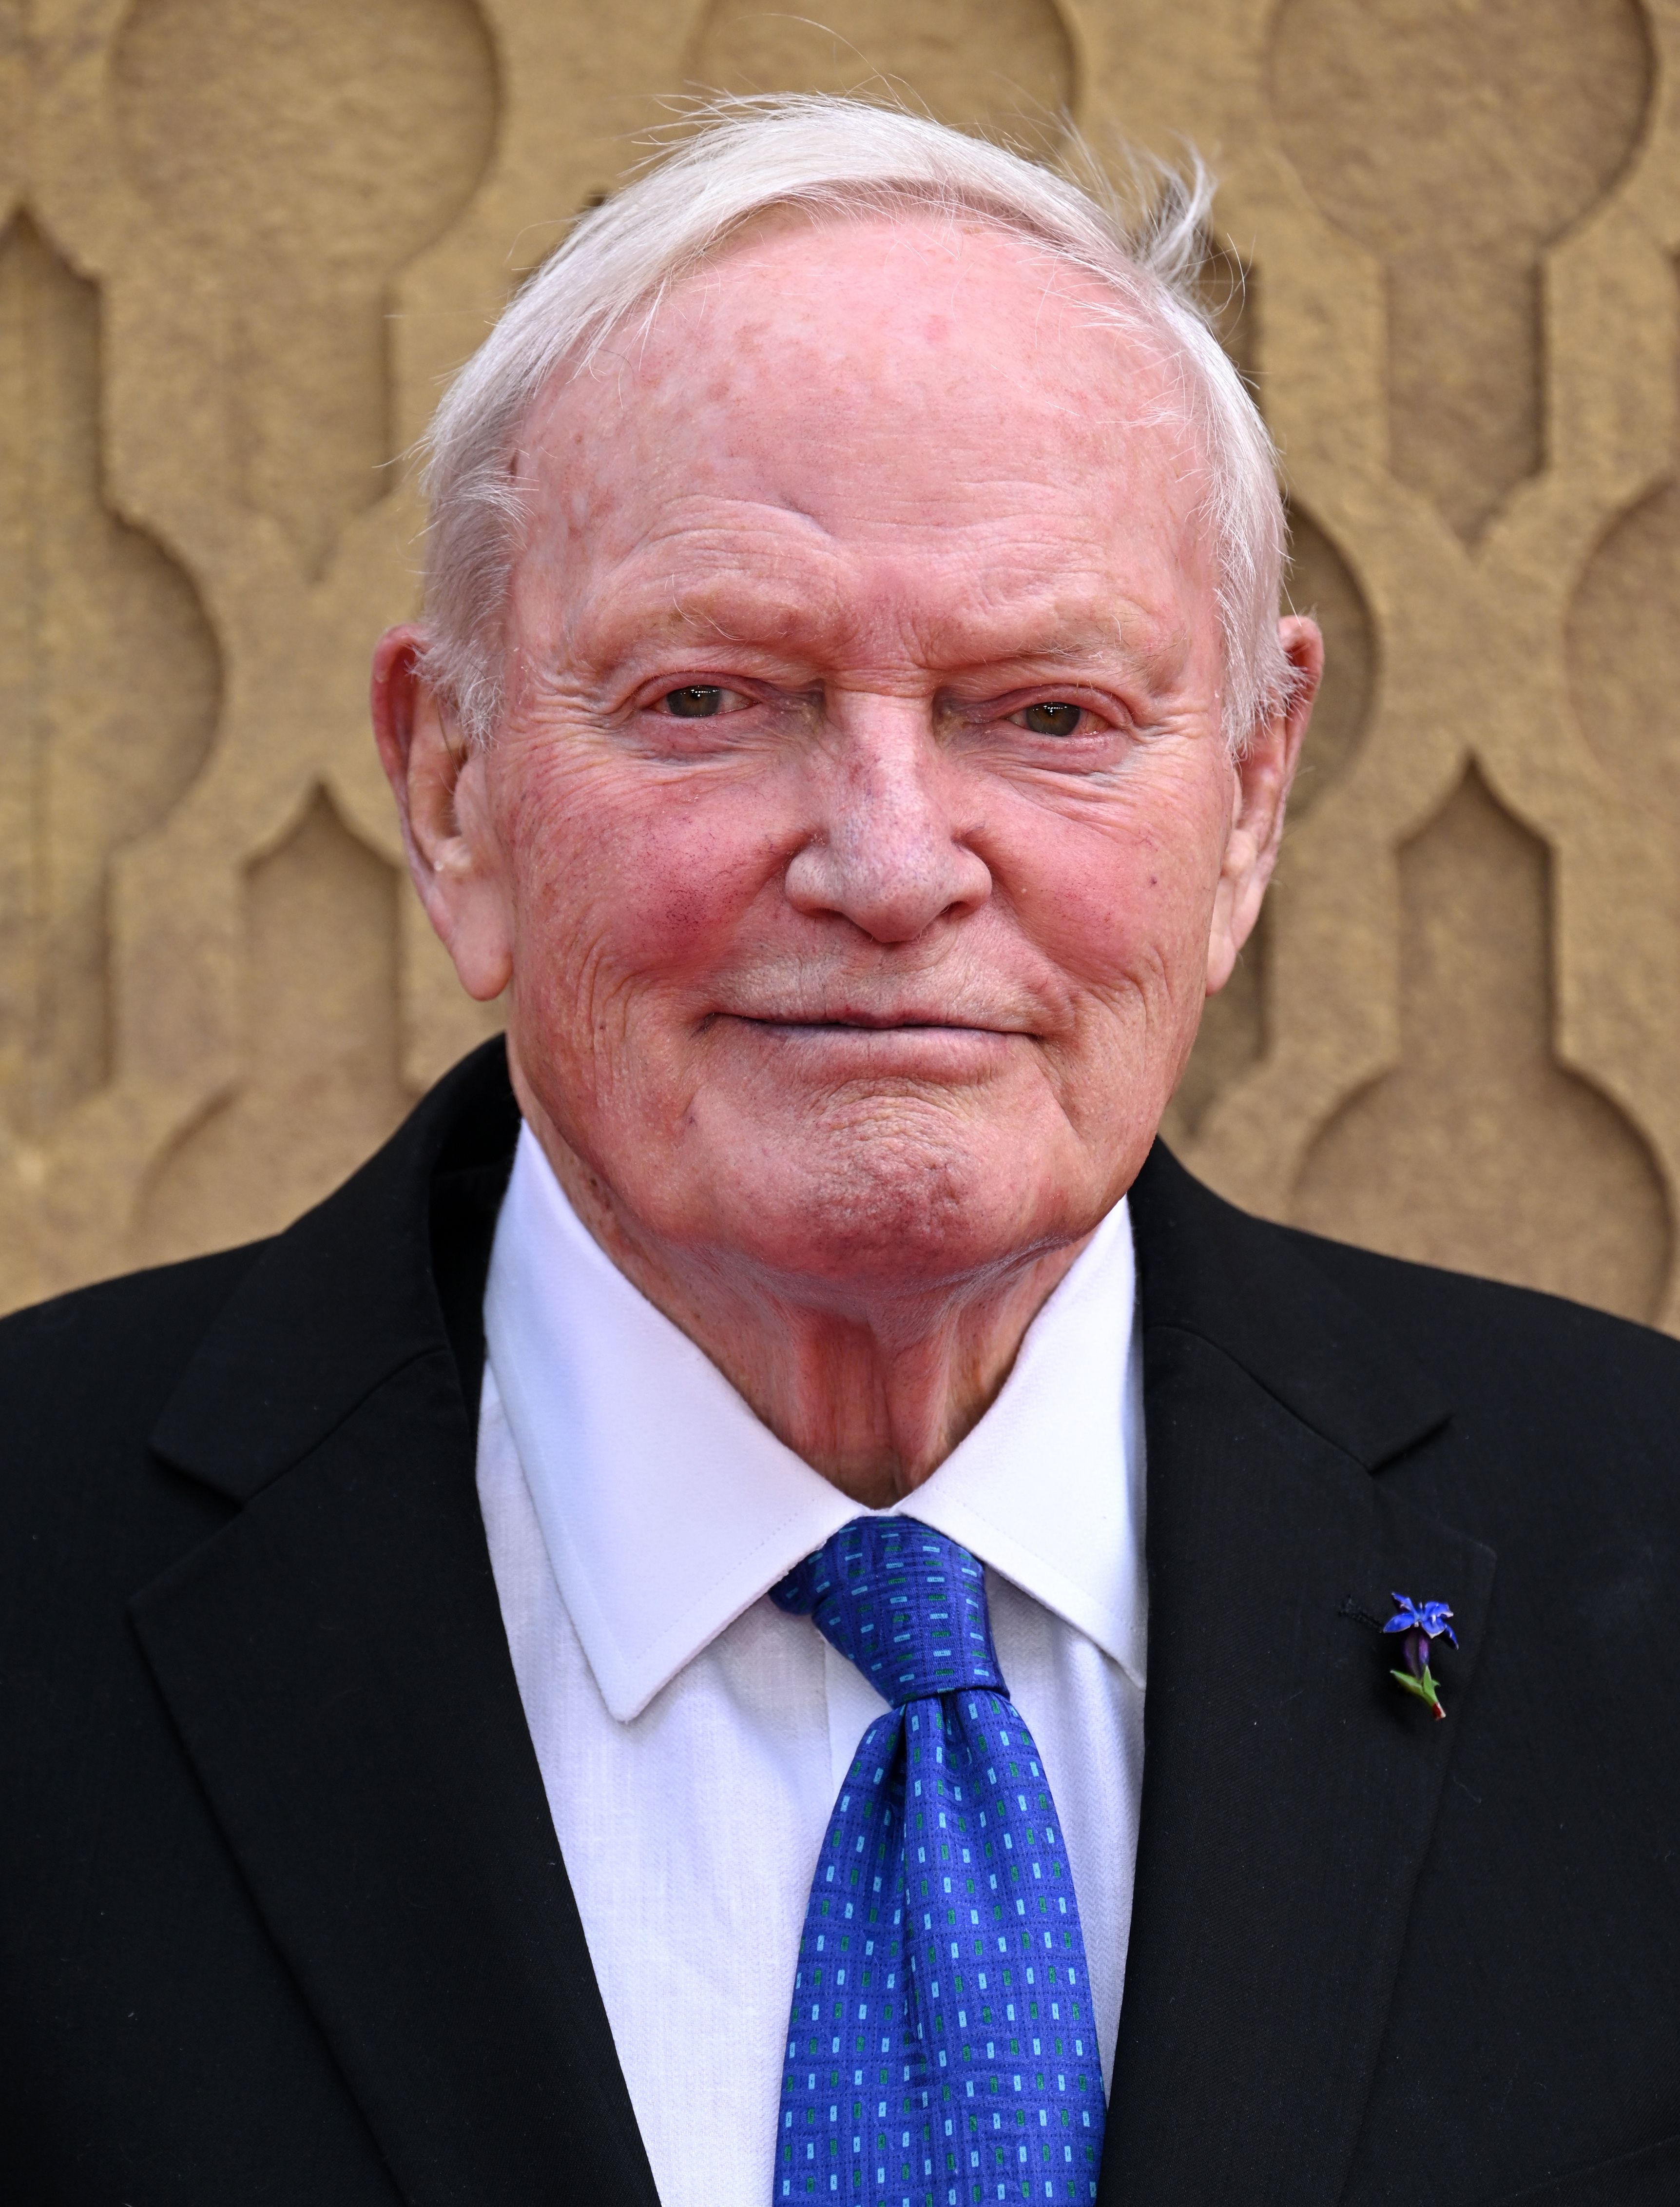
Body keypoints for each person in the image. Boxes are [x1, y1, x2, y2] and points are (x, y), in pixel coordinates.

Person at [2, 98, 1677, 2207]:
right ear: (452, 790)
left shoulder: (1646, 1542)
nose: (891, 867)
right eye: (711, 697)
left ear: (1249, 797)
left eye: (1049, 713)